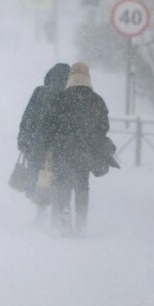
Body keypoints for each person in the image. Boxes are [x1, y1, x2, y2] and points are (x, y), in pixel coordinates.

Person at [45, 62, 110, 236]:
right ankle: (81, 223)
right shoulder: (96, 100)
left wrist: (52, 144)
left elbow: (50, 125)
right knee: (82, 185)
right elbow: (104, 127)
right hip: (85, 150)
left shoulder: (61, 98)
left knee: (63, 183)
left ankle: (65, 212)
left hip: (62, 149)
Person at [16, 63, 70, 214]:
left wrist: (23, 140)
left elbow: (28, 118)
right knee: (59, 180)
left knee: (41, 181)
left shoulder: (40, 92)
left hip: (38, 144)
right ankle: (59, 213)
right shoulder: (69, 95)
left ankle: (41, 212)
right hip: (61, 147)